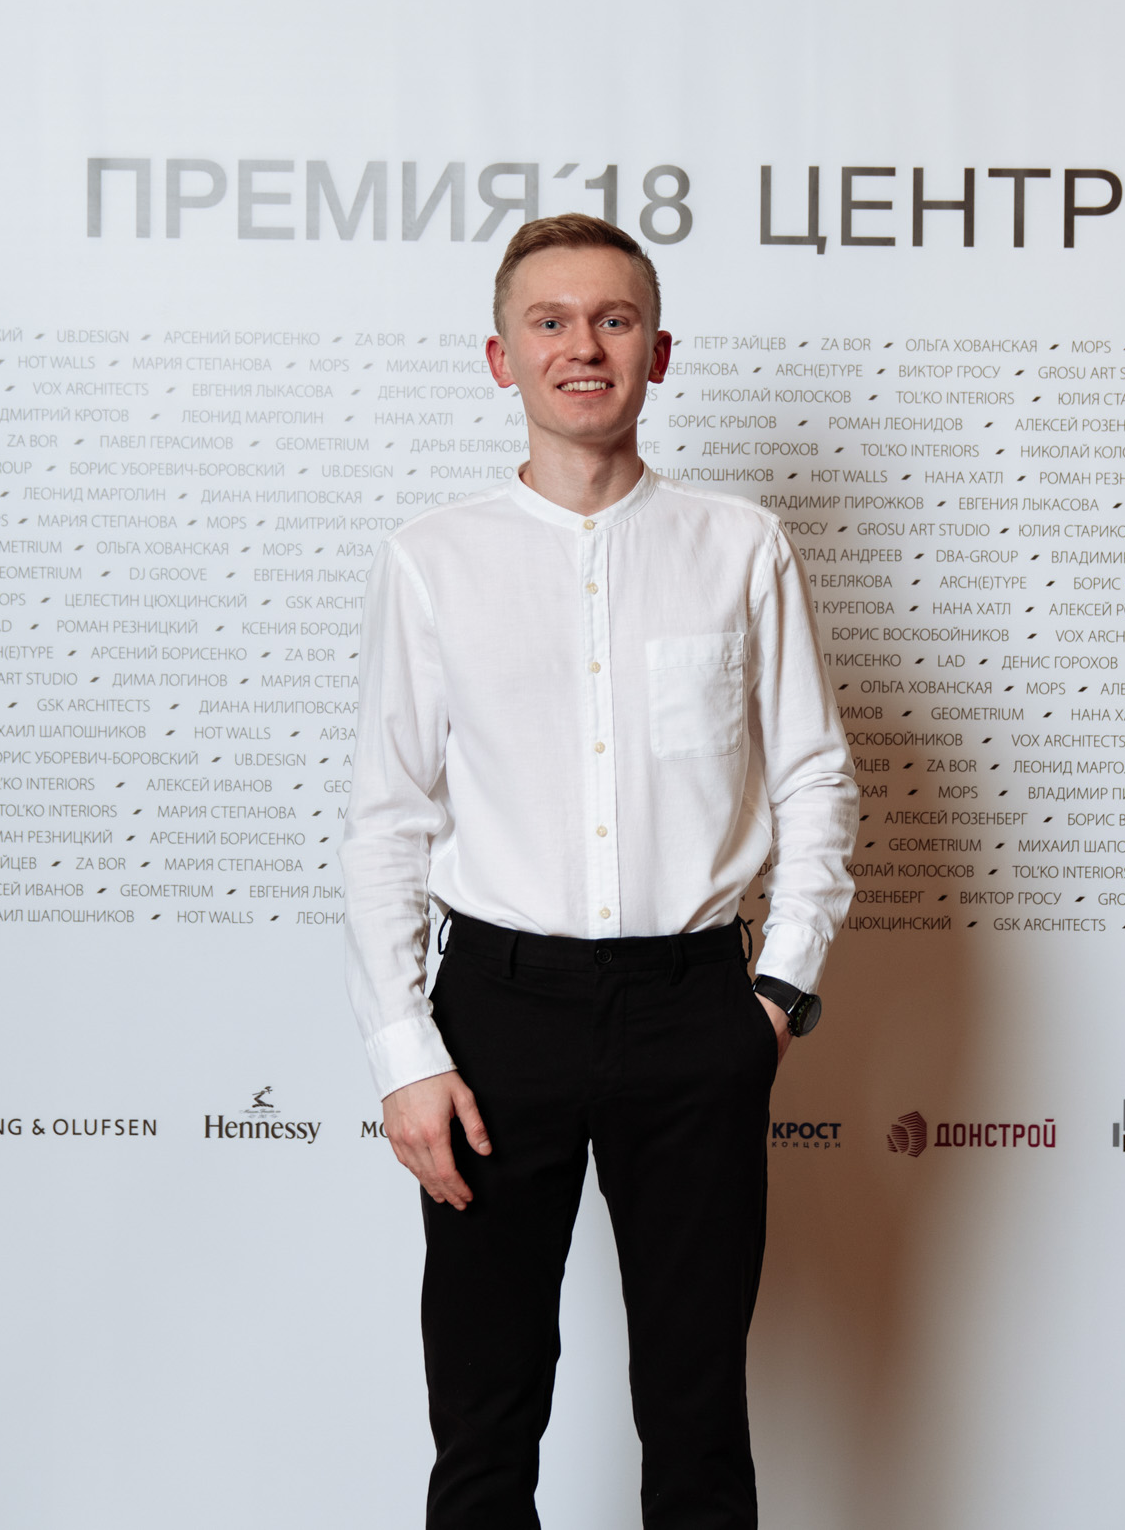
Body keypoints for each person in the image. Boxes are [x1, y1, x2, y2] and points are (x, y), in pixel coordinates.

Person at [341, 212, 859, 1530]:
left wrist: (777, 993)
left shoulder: (741, 547)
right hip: (495, 1015)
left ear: (658, 352)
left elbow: (815, 778)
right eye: (552, 321)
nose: (584, 346)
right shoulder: (432, 559)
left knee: (697, 1416)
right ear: (502, 358)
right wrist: (403, 1051)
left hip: (696, 1012)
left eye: (614, 320)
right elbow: (390, 817)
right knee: (484, 1413)